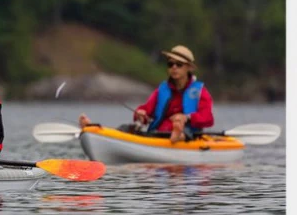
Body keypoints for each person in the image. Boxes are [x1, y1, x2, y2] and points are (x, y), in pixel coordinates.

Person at [79, 45, 214, 143]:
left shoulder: (200, 91)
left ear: (188, 68)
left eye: (179, 64)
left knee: (185, 131)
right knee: (126, 128)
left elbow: (208, 118)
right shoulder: (162, 89)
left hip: (189, 134)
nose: (173, 67)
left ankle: (178, 135)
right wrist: (141, 113)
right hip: (158, 133)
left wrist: (186, 118)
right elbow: (147, 109)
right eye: (170, 64)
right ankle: (93, 128)